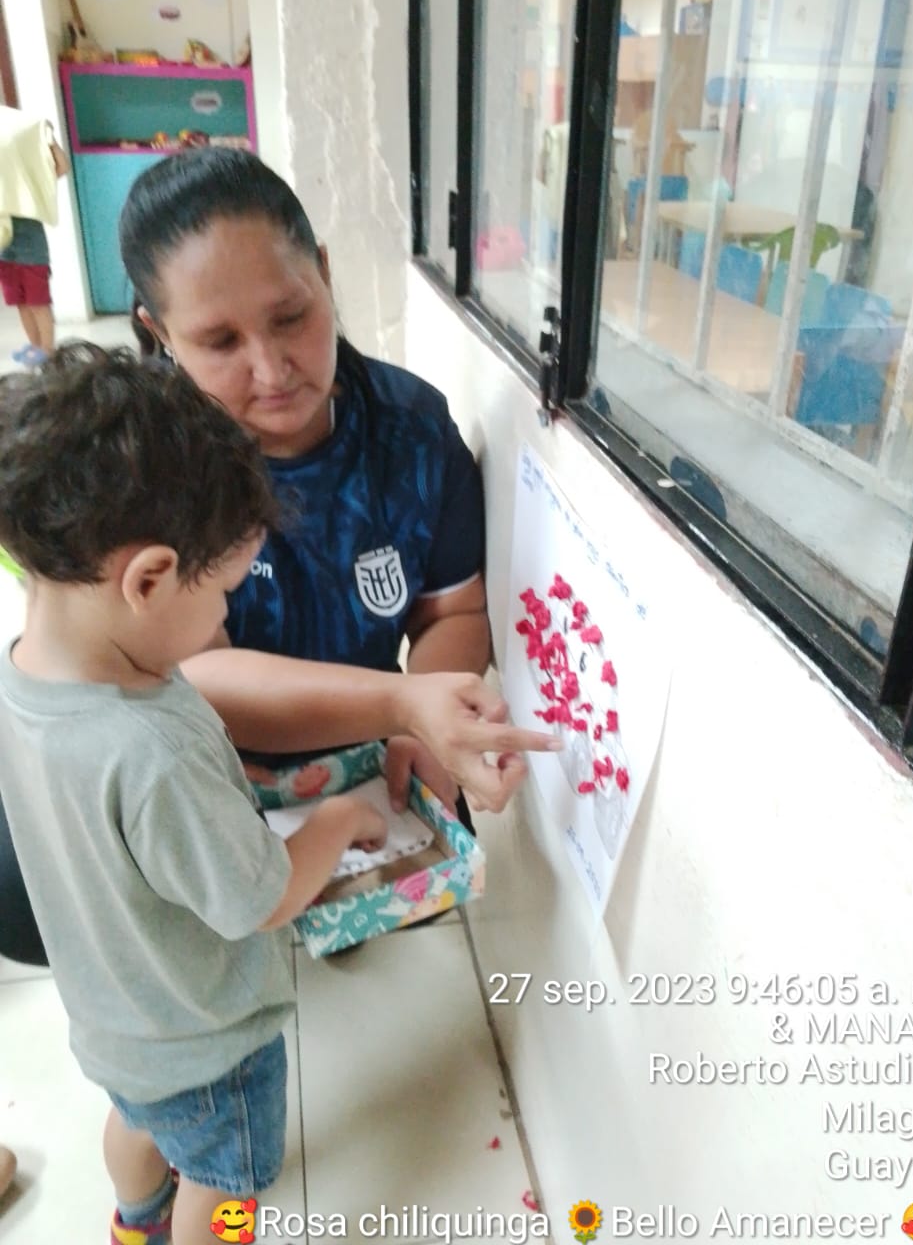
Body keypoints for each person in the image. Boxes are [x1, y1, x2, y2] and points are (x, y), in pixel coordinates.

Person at [0, 148, 561, 965]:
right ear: (158, 332)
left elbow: (455, 609)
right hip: (188, 763)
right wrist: (403, 705)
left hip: (360, 746)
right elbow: (197, 678)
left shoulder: (411, 434)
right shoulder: (139, 475)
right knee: (37, 899)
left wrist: (423, 721)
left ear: (324, 274)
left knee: (417, 860)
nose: (271, 369)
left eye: (291, 316)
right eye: (219, 340)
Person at [0, 343, 392, 1243]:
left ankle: (134, 1223)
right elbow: (262, 899)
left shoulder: (23, 674)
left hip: (111, 1020)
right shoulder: (156, 750)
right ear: (147, 579)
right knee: (224, 1178)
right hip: (208, 1045)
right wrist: (339, 818)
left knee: (137, 1125)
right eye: (221, 593)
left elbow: (109, 828)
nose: (224, 618)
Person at [0, 111, 70, 366]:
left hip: (28, 237)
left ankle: (48, 352)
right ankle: (34, 348)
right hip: (3, 240)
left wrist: (49, 138)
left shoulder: (28, 175)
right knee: (19, 300)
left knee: (37, 299)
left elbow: (62, 167)